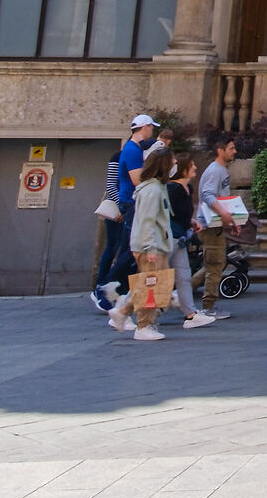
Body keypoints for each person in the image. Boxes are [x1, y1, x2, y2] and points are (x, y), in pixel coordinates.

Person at [90, 113, 157, 312]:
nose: (152, 131)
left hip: (131, 203)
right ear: (144, 127)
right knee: (130, 250)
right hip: (131, 204)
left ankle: (116, 291)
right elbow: (137, 180)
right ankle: (105, 289)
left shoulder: (132, 149)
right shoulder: (133, 150)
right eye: (151, 127)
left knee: (129, 250)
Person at [116, 140, 178, 341]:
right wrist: (150, 247)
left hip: (155, 243)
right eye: (172, 161)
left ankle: (124, 313)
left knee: (152, 285)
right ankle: (143, 325)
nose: (175, 163)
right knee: (150, 286)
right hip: (152, 245)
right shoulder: (153, 190)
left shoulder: (156, 188)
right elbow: (147, 221)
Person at [161, 149, 215, 328]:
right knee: (155, 276)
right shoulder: (173, 189)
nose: (195, 168)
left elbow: (180, 213)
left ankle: (190, 314)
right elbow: (166, 213)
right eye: (191, 165)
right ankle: (123, 309)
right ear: (183, 169)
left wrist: (191, 222)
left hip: (181, 238)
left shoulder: (187, 188)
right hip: (170, 237)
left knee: (184, 276)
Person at [195, 136, 237, 318]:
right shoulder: (215, 171)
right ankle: (208, 306)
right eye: (231, 148)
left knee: (214, 264)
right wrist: (224, 214)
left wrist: (231, 220)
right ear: (221, 151)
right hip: (210, 225)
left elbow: (222, 198)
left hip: (215, 224)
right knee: (215, 265)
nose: (234, 151)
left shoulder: (221, 170)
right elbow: (208, 195)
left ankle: (180, 295)